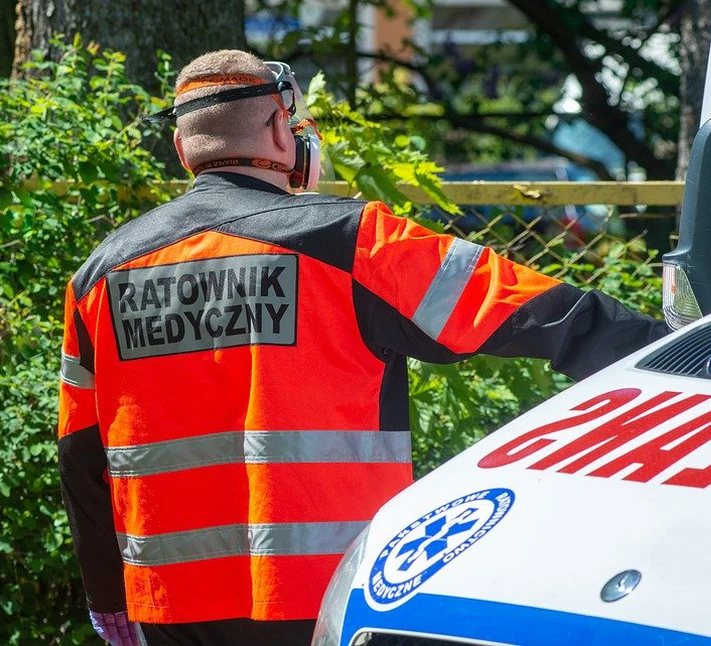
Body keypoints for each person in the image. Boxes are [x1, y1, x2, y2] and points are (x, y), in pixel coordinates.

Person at [57, 50, 669, 646]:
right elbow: (543, 313)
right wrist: (690, 353)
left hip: (172, 603)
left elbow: (81, 456)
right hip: (330, 593)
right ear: (279, 128)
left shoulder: (99, 276)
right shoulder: (351, 239)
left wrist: (107, 597)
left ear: (183, 147)